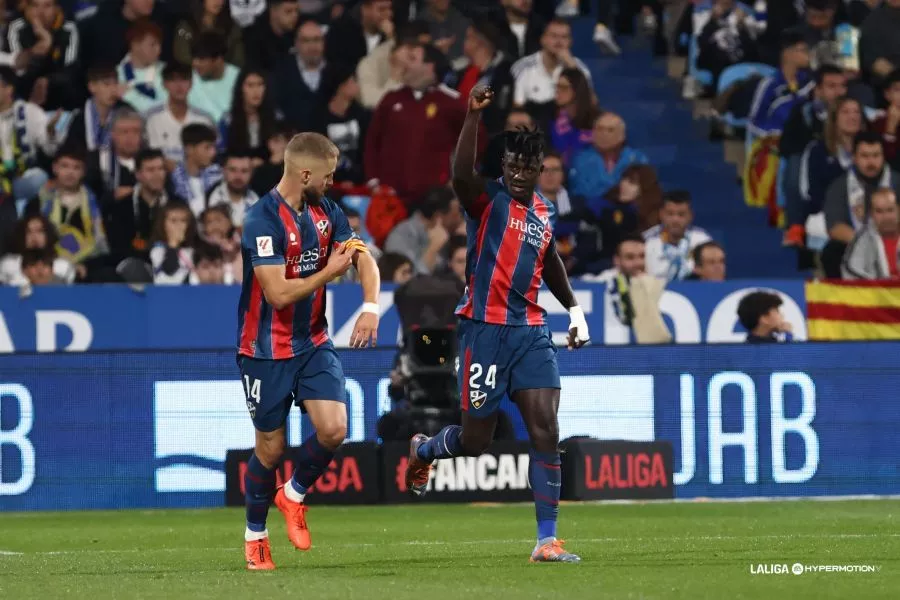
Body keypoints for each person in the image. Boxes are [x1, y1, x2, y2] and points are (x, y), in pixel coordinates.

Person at [404, 84, 589, 563]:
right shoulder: (484, 200)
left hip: (530, 331)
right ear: (503, 168)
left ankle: (546, 539)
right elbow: (459, 171)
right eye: (513, 167)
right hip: (483, 331)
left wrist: (575, 309)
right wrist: (471, 117)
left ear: (540, 170)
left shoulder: (544, 213)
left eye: (529, 168)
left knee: (545, 429)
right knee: (475, 442)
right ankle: (424, 451)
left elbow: (548, 262)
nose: (521, 175)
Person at [237, 132, 380, 570]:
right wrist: (330, 271)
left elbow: (363, 257)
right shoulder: (261, 220)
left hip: (313, 342)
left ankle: (293, 494)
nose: (333, 182)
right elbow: (278, 294)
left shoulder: (327, 212)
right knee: (270, 449)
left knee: (335, 428)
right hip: (264, 350)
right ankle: (255, 536)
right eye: (328, 175)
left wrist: (371, 306)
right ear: (304, 174)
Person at [144, 62, 215, 167]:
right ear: (164, 84)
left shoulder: (205, 119)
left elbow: (214, 156)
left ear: (191, 84)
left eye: (184, 79)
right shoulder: (150, 118)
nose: (179, 85)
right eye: (173, 80)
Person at [643, 191, 712, 282]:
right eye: (670, 214)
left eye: (681, 214)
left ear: (690, 216)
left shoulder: (703, 240)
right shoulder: (646, 241)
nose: (675, 220)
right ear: (661, 215)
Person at [842, 188, 900, 279]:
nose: (886, 217)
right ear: (872, 214)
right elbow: (851, 272)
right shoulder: (862, 240)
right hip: (877, 292)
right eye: (879, 211)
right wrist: (884, 285)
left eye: (890, 210)